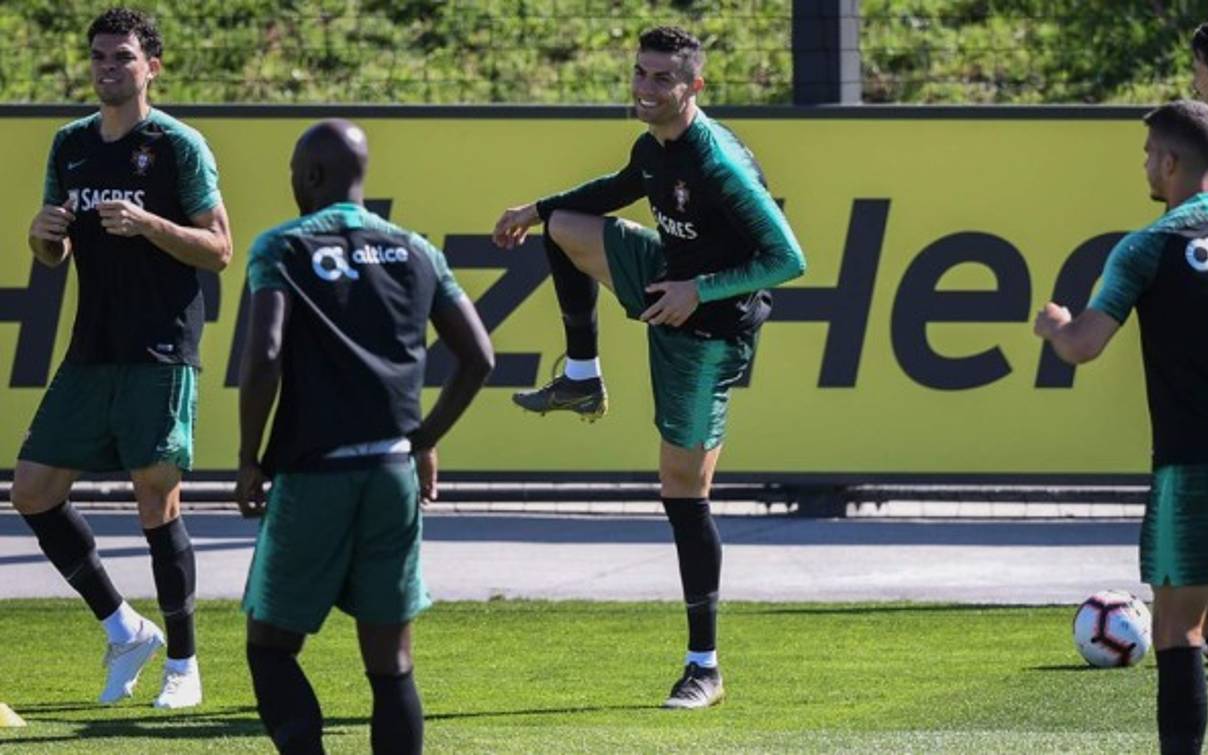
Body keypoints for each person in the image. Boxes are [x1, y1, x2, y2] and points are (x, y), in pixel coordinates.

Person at [491, 25, 806, 709]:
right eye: (640, 72)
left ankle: (704, 666)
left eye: (663, 78)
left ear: (695, 87)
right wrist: (537, 207)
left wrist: (701, 289)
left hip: (710, 328)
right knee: (567, 228)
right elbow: (616, 187)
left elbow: (788, 259)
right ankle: (581, 375)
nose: (645, 86)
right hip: (668, 282)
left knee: (683, 490)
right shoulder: (651, 146)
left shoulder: (716, 161)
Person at [236, 119, 494, 754]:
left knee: (271, 648)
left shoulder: (282, 247)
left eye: (297, 170)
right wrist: (424, 438)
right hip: (391, 472)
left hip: (313, 476)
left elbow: (265, 354)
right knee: (391, 664)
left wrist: (250, 457)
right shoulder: (417, 249)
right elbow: (479, 357)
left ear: (312, 176)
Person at [13, 7, 231, 709]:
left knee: (154, 498)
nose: (109, 68)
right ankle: (122, 625)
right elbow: (55, 252)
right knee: (33, 490)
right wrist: (43, 236)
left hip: (162, 347)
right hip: (91, 349)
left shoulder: (177, 146)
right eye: (101, 57)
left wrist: (149, 224)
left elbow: (220, 248)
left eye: (124, 58)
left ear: (152, 68)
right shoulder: (71, 144)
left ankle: (184, 665)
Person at [1035, 100, 1208, 755]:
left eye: (1148, 155)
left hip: (1193, 462)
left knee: (1178, 629)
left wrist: (1055, 324)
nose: (1145, 164)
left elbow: (1085, 345)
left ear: (1170, 163)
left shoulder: (1148, 246)